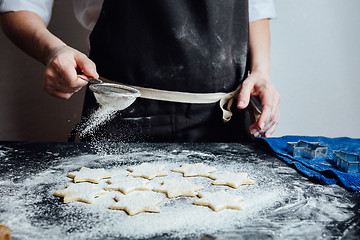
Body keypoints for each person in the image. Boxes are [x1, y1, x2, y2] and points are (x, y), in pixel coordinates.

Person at [0, 0, 280, 142]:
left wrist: (261, 73)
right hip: (119, 115)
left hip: (224, 119)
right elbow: (20, 7)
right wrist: (53, 51)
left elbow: (254, 8)